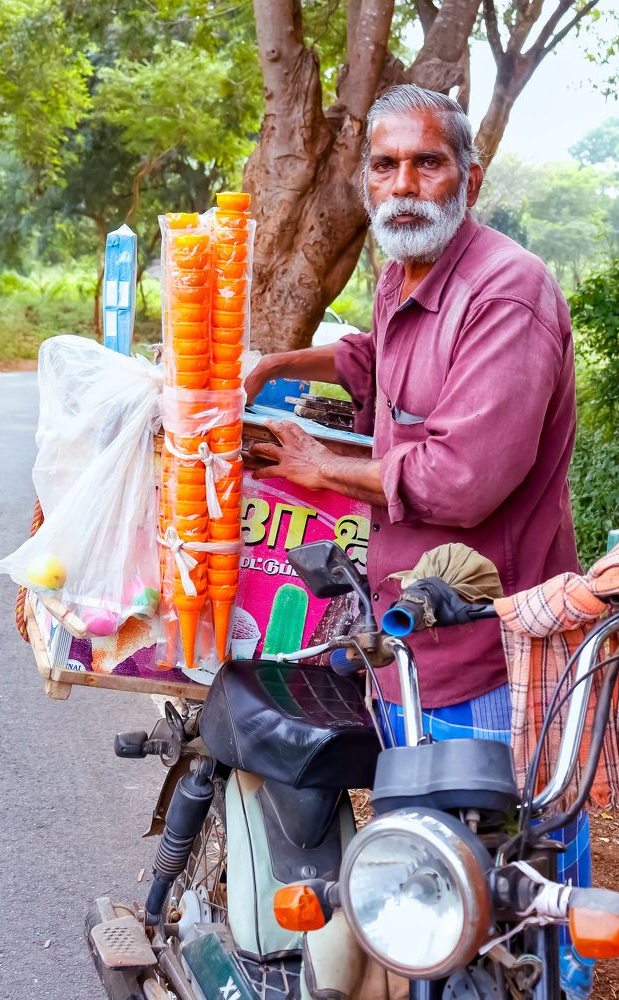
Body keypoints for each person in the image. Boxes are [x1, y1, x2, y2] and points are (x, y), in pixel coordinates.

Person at [246, 83, 592, 993]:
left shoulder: (507, 293)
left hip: (491, 650)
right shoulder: (405, 268)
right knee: (435, 889)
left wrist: (321, 471)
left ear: (468, 176)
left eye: (427, 162)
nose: (405, 184)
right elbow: (371, 355)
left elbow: (464, 479)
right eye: (386, 165)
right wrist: (277, 363)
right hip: (413, 636)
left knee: (518, 894)